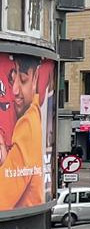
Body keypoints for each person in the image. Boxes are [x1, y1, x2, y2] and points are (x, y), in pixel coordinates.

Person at [0, 57, 45, 211]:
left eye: (23, 80)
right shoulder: (34, 113)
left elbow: (2, 198)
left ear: (35, 78)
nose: (15, 91)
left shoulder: (27, 124)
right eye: (13, 80)